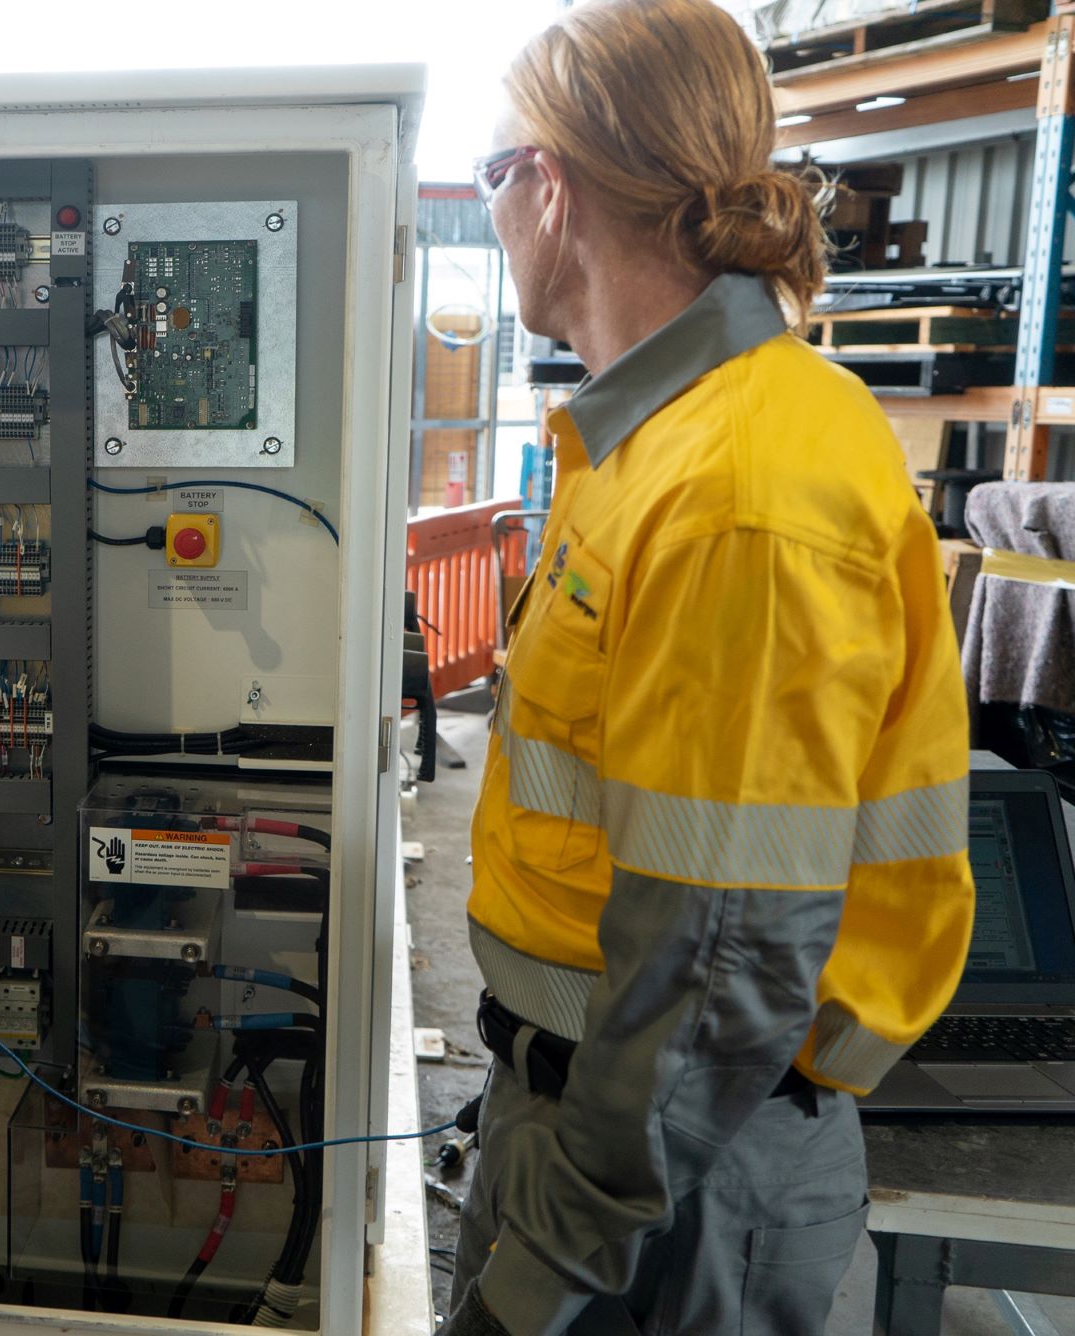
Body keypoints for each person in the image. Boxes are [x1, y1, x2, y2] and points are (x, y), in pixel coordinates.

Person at [447, 3, 975, 1332]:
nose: (492, 210)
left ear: (551, 190)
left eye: (491, 175)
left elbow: (721, 958)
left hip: (668, 1187)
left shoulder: (737, 486)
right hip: (625, 1141)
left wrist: (547, 1263)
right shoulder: (659, 444)